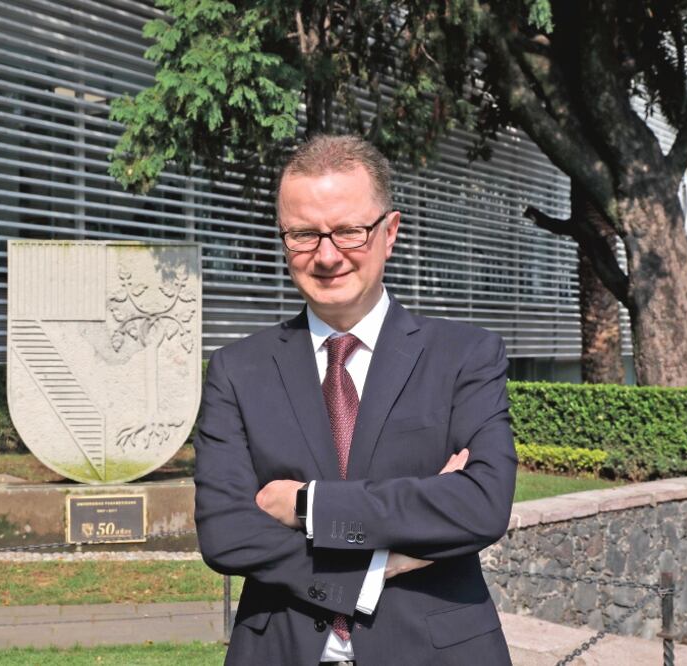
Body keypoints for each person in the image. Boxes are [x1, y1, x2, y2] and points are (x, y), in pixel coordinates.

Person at [193, 134, 517, 665]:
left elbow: (481, 505)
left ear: (390, 233)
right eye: (303, 234)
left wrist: (308, 506)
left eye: (348, 231)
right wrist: (372, 570)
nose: (326, 256)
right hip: (280, 649)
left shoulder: (465, 356)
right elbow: (225, 532)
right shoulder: (237, 370)